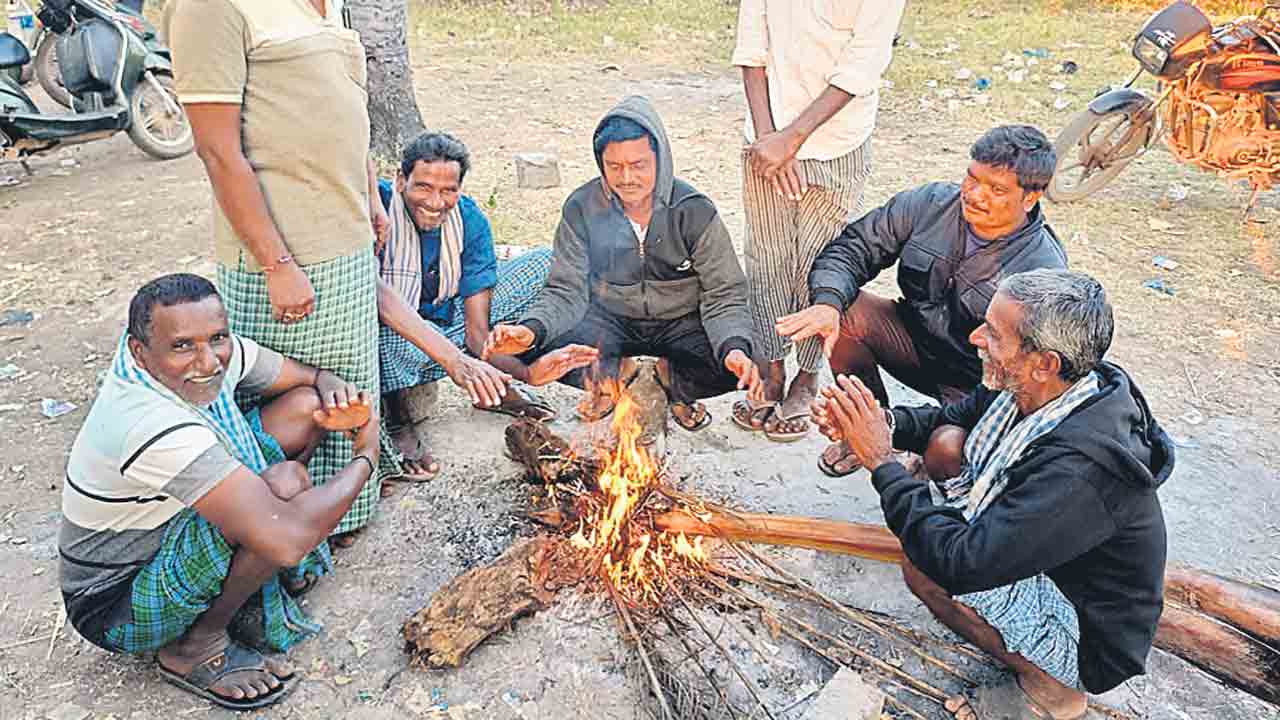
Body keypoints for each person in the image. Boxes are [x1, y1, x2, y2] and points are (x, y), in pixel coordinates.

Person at [814, 269, 1172, 720]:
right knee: (947, 440)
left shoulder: (1081, 470)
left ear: (1046, 362)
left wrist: (882, 462)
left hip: (1091, 635)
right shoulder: (1046, 389)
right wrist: (877, 424)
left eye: (994, 334)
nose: (976, 337)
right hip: (1053, 557)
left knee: (924, 568)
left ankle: (1055, 691)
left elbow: (961, 564)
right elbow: (950, 416)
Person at [59, 274, 381, 710]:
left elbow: (304, 378)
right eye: (183, 346)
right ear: (140, 351)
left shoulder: (200, 361)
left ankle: (240, 587)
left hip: (164, 533)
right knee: (282, 500)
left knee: (306, 407)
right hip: (115, 604)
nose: (208, 362)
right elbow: (285, 538)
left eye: (218, 338)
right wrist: (366, 454)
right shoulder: (146, 420)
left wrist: (329, 385)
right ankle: (194, 646)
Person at [165, 0, 396, 546]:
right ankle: (283, 533)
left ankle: (345, 512)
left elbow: (346, 113)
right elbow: (218, 151)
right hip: (288, 256)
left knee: (349, 388)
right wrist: (277, 263)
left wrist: (369, 198)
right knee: (301, 398)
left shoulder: (325, 5)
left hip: (344, 243)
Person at [778, 125, 1069, 477]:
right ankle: (867, 427)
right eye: (972, 178)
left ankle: (915, 444)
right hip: (913, 343)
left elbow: (1024, 382)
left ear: (1030, 198)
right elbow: (854, 248)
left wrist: (939, 426)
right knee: (845, 310)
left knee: (947, 450)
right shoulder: (929, 203)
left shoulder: (1042, 270)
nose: (975, 195)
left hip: (975, 381)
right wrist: (827, 303)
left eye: (996, 189)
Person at [483, 96, 763, 426]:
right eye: (614, 166)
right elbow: (564, 290)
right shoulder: (582, 208)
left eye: (639, 165)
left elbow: (724, 293)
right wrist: (530, 331)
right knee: (535, 348)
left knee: (740, 358)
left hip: (680, 323)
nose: (627, 178)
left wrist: (733, 348)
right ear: (600, 163)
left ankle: (669, 382)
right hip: (609, 320)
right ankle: (613, 378)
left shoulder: (693, 210)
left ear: (661, 160)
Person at [731, 0, 907, 443]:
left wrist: (793, 139)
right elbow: (753, 53)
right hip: (765, 139)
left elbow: (860, 67)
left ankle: (807, 375)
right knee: (768, 258)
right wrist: (771, 140)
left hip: (837, 145)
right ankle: (771, 368)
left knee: (818, 265)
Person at [375, 131, 594, 479]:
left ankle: (492, 389)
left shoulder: (468, 219)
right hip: (398, 328)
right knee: (385, 337)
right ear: (401, 180)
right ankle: (399, 418)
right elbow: (376, 298)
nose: (435, 202)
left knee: (545, 263)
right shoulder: (378, 211)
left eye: (448, 190)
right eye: (423, 187)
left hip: (452, 318)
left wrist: (521, 375)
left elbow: (477, 335)